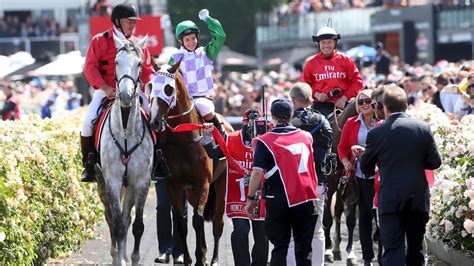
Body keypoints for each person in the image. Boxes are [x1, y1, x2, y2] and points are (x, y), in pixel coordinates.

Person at [360, 86, 442, 266]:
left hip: (391, 198)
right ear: (405, 106)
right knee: (416, 249)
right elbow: (435, 162)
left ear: (386, 107)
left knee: (392, 249)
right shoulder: (422, 127)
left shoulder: (377, 133)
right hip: (417, 197)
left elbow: (365, 167)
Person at [81, 2, 155, 182]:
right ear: (117, 21)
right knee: (87, 122)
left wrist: (151, 89)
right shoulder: (100, 40)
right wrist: (105, 88)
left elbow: (147, 70)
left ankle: (159, 159)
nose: (132, 24)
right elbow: (89, 68)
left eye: (134, 21)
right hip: (106, 91)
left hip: (134, 93)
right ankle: (89, 164)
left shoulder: (138, 44)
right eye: (129, 21)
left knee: (155, 117)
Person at [246, 99, 319, 266]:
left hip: (279, 198)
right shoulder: (307, 137)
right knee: (304, 249)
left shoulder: (264, 141)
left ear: (273, 117)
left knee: (280, 247)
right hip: (306, 197)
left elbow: (257, 172)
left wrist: (251, 198)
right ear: (291, 115)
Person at [201, 108, 269, 266]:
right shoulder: (231, 139)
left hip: (262, 197)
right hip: (239, 198)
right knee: (241, 230)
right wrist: (206, 137)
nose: (253, 131)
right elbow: (213, 153)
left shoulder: (267, 141)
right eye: (249, 126)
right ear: (244, 124)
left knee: (262, 234)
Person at [287, 82, 333, 266]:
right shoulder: (323, 121)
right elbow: (328, 145)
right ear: (310, 99)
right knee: (317, 231)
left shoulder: (287, 122)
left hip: (291, 183)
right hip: (316, 180)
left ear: (293, 100)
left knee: (290, 233)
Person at [169, 8, 226, 135]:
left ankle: (221, 132)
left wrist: (207, 19)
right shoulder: (174, 58)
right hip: (182, 100)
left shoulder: (207, 53)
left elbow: (220, 36)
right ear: (181, 41)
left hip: (203, 99)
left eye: (193, 38)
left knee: (201, 106)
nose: (191, 42)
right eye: (187, 40)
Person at [338, 89, 378, 266]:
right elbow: (341, 147)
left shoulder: (383, 122)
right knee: (364, 217)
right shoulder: (350, 122)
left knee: (381, 218)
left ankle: (384, 256)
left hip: (381, 176)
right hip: (360, 176)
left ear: (375, 102)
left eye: (368, 100)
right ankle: (367, 258)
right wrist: (346, 162)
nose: (364, 104)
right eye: (361, 102)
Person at [302, 26, 363, 116]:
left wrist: (345, 97)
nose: (326, 46)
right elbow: (304, 86)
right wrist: (316, 94)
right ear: (319, 44)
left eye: (329, 42)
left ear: (335, 43)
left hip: (345, 103)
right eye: (323, 43)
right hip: (320, 106)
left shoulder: (346, 60)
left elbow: (357, 82)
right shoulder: (311, 63)